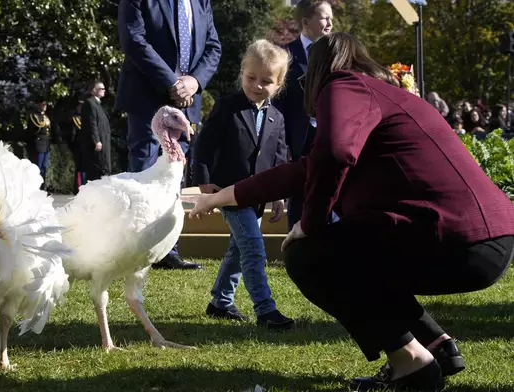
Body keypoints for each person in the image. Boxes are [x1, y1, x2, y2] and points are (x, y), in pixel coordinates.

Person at [183, 32, 514, 391]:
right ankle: (437, 345)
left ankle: (411, 363)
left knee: (309, 256)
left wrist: (311, 223)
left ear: (318, 72)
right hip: (488, 237)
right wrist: (220, 198)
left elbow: (335, 154)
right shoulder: (384, 94)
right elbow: (307, 169)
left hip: (457, 238)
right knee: (362, 255)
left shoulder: (343, 85)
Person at [194, 39, 294, 330]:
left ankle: (220, 301)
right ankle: (265, 309)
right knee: (252, 247)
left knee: (238, 249)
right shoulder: (227, 107)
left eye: (266, 81)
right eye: (251, 78)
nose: (257, 85)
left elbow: (278, 159)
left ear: (279, 84)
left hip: (259, 196)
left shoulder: (277, 117)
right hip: (228, 192)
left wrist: (279, 196)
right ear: (242, 73)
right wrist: (204, 181)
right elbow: (204, 146)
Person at [115, 0, 222, 270]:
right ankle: (136, 250)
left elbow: (213, 46)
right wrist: (171, 82)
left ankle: (166, 250)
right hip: (146, 98)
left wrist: (194, 82)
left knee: (174, 176)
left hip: (186, 102)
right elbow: (133, 40)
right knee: (144, 172)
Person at [273, 0, 333, 231]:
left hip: (330, 133)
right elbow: (278, 100)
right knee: (299, 191)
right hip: (299, 136)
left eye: (330, 17)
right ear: (306, 21)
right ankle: (297, 247)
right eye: (324, 17)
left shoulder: (336, 53)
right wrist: (282, 140)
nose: (330, 22)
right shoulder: (285, 55)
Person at [78, 81, 112, 182]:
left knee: (104, 169)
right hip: (98, 144)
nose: (104, 91)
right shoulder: (90, 103)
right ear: (94, 90)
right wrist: (96, 140)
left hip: (104, 141)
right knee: (98, 170)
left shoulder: (98, 104)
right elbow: (91, 123)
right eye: (101, 89)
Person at [27, 96, 52, 190]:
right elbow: (36, 128)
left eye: (45, 104)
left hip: (45, 145)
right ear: (38, 105)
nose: (45, 106)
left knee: (44, 168)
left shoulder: (45, 117)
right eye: (43, 104)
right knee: (37, 167)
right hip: (39, 144)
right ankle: (35, 188)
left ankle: (43, 187)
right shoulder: (34, 116)